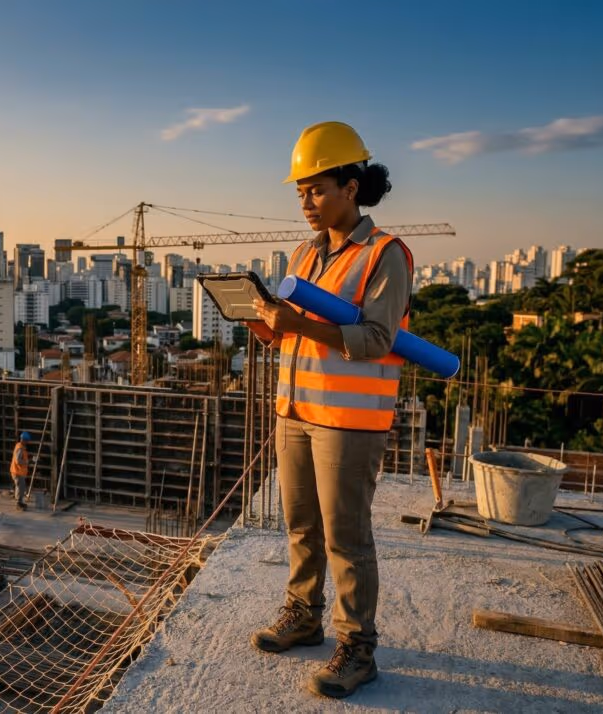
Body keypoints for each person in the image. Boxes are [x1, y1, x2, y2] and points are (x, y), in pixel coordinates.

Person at [246, 121, 412, 699]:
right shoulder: (304, 254)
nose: (306, 202)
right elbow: (296, 335)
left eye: (316, 189)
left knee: (346, 536)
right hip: (295, 411)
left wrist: (302, 324)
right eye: (300, 192)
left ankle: (358, 647)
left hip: (349, 421)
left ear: (351, 186)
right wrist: (268, 326)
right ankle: (304, 614)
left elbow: (375, 337)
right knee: (301, 525)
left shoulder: (385, 255)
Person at [11, 432, 32, 510]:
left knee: (21, 488)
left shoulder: (20, 446)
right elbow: (18, 461)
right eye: (27, 441)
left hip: (19, 472)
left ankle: (20, 503)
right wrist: (26, 462)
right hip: (17, 472)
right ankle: (18, 504)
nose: (27, 442)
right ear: (23, 440)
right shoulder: (20, 448)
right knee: (20, 488)